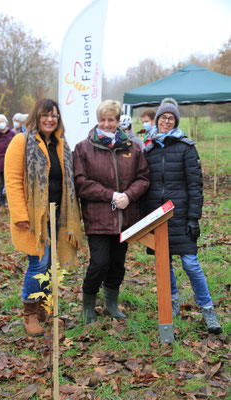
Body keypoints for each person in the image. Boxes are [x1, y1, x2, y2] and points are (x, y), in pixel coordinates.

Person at [142, 98, 222, 334]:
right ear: (157, 121)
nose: (166, 121)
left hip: (181, 215)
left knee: (190, 263)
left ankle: (208, 310)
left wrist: (193, 218)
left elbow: (196, 185)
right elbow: (145, 184)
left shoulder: (187, 148)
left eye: (170, 118)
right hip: (157, 217)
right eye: (162, 118)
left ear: (176, 121)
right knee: (164, 264)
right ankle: (172, 304)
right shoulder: (150, 149)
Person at [4, 98, 83, 336]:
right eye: (45, 115)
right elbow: (13, 181)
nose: (50, 119)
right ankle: (30, 312)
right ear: (36, 117)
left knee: (50, 263)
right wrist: (20, 214)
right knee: (38, 261)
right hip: (34, 217)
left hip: (58, 213)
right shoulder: (22, 141)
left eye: (54, 116)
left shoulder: (61, 143)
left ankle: (43, 306)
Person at [73, 99, 150, 324]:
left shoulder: (132, 147)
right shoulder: (83, 148)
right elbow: (80, 182)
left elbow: (144, 178)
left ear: (118, 121)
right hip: (97, 217)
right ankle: (88, 305)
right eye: (103, 120)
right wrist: (111, 195)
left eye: (111, 120)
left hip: (125, 217)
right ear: (98, 121)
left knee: (117, 263)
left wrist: (129, 195)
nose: (107, 124)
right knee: (99, 262)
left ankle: (111, 304)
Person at [0, 114, 15, 206]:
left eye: (2, 121)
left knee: (11, 182)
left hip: (11, 161)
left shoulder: (12, 134)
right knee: (2, 182)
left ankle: (11, 200)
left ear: (6, 122)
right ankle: (2, 200)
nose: (1, 123)